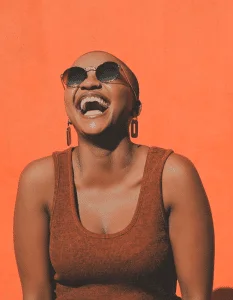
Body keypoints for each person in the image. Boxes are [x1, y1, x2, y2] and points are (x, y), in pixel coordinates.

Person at [13, 50, 215, 300]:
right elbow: (35, 295)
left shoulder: (172, 177)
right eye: (75, 77)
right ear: (67, 109)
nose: (88, 83)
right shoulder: (39, 182)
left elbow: (197, 296)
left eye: (108, 73)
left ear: (135, 107)